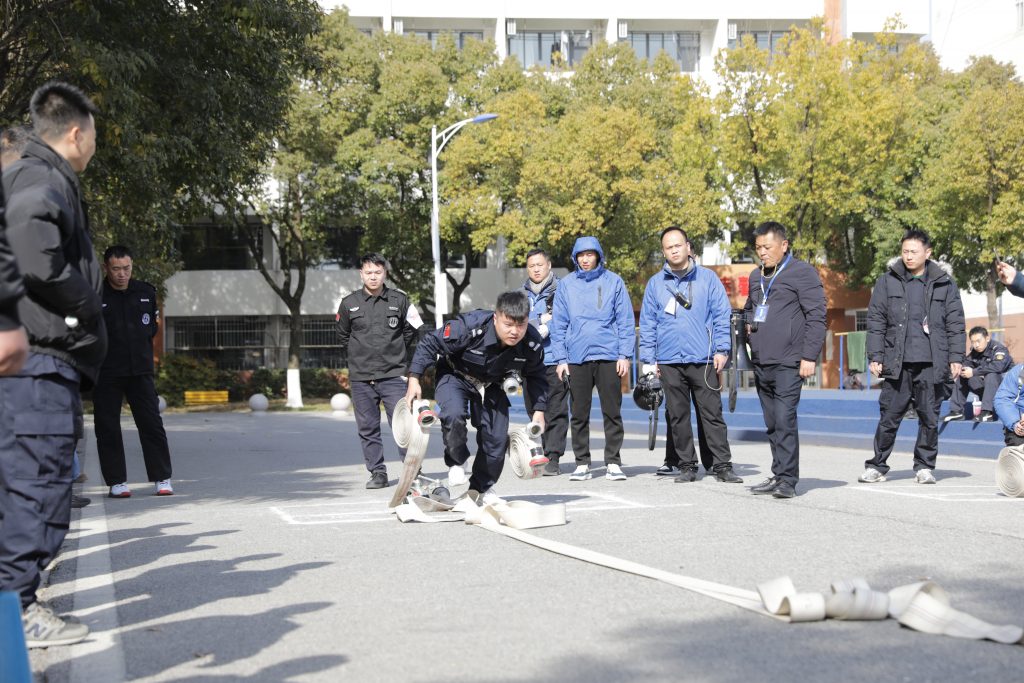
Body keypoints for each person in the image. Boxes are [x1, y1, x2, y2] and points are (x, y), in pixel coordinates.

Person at [0, 81, 107, 647]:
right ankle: (16, 609)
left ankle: (15, 603)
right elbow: (33, 250)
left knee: (34, 482)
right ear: (75, 133)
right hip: (38, 363)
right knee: (35, 485)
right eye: (94, 134)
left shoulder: (40, 175)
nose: (95, 144)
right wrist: (86, 306)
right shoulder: (42, 181)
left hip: (41, 360)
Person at [404, 291, 547, 502]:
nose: (515, 332)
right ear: (496, 317)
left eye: (521, 325)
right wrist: (414, 378)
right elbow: (429, 343)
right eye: (508, 324)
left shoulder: (531, 342)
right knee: (453, 415)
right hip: (456, 374)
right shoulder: (470, 326)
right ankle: (457, 460)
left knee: (496, 438)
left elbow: (537, 376)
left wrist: (539, 410)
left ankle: (482, 489)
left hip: (494, 384)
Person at [860, 229, 965, 485]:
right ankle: (877, 466)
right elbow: (876, 320)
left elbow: (955, 323)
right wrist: (875, 355)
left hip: (932, 362)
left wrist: (956, 357)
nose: (908, 256)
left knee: (929, 417)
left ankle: (925, 466)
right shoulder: (888, 281)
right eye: (905, 251)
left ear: (927, 253)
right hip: (897, 362)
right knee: (889, 417)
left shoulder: (945, 282)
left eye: (914, 252)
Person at [639, 226, 741, 483]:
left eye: (677, 245)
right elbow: (649, 324)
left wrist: (721, 349)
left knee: (711, 414)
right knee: (678, 415)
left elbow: (721, 316)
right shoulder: (655, 284)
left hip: (703, 358)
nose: (673, 250)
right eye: (668, 247)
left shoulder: (708, 279)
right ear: (663, 251)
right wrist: (648, 361)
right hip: (669, 360)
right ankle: (686, 465)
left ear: (687, 247)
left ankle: (721, 465)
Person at [743, 222, 826, 499]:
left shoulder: (803, 273)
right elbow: (750, 309)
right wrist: (745, 324)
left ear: (784, 245)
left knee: (784, 418)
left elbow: (816, 316)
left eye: (767, 247)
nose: (762, 253)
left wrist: (809, 356)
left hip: (790, 360)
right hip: (762, 360)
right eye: (758, 248)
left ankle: (788, 480)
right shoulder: (757, 276)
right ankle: (779, 473)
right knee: (771, 422)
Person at [550, 236, 635, 481]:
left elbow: (626, 320)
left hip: (608, 354)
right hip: (576, 357)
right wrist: (561, 359)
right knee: (578, 412)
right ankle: (582, 463)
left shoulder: (614, 281)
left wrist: (624, 354)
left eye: (590, 254)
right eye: (581, 255)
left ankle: (613, 462)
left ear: (598, 255)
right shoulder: (566, 285)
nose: (585, 259)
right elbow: (559, 324)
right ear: (575, 258)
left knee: (612, 410)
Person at [336, 253, 423, 489]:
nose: (373, 277)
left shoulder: (400, 300)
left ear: (385, 273)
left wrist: (395, 351)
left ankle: (413, 471)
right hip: (361, 377)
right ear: (361, 274)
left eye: (378, 272)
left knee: (403, 425)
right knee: (368, 428)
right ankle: (377, 472)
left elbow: (413, 329)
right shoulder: (348, 303)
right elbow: (343, 336)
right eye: (368, 272)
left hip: (394, 375)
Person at [93, 245, 173, 497]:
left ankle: (162, 478)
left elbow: (151, 328)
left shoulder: (146, 293)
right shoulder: (94, 295)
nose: (121, 274)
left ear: (131, 267)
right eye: (116, 269)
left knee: (151, 423)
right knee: (107, 426)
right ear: (106, 268)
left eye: (126, 268)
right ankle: (117, 482)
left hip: (140, 370)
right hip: (107, 372)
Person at [521, 248, 570, 476]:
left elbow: (564, 320)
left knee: (556, 409)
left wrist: (544, 326)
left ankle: (554, 456)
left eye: (540, 264)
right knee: (534, 409)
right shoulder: (520, 294)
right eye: (532, 266)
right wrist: (538, 322)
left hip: (554, 358)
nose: (536, 269)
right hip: (530, 362)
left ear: (549, 265)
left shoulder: (562, 290)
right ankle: (540, 449)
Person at [942, 326, 1012, 423]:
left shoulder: (999, 349)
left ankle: (987, 412)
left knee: (991, 374)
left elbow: (998, 366)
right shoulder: (975, 352)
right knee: (963, 374)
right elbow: (966, 364)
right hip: (987, 390)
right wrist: (962, 370)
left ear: (987, 338)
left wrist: (974, 372)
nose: (976, 345)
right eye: (973, 342)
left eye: (978, 341)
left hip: (1005, 390)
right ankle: (956, 411)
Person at [993, 363, 1024, 446]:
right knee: (1018, 445)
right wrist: (1015, 422)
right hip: (1020, 419)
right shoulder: (1019, 371)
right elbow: (1003, 399)